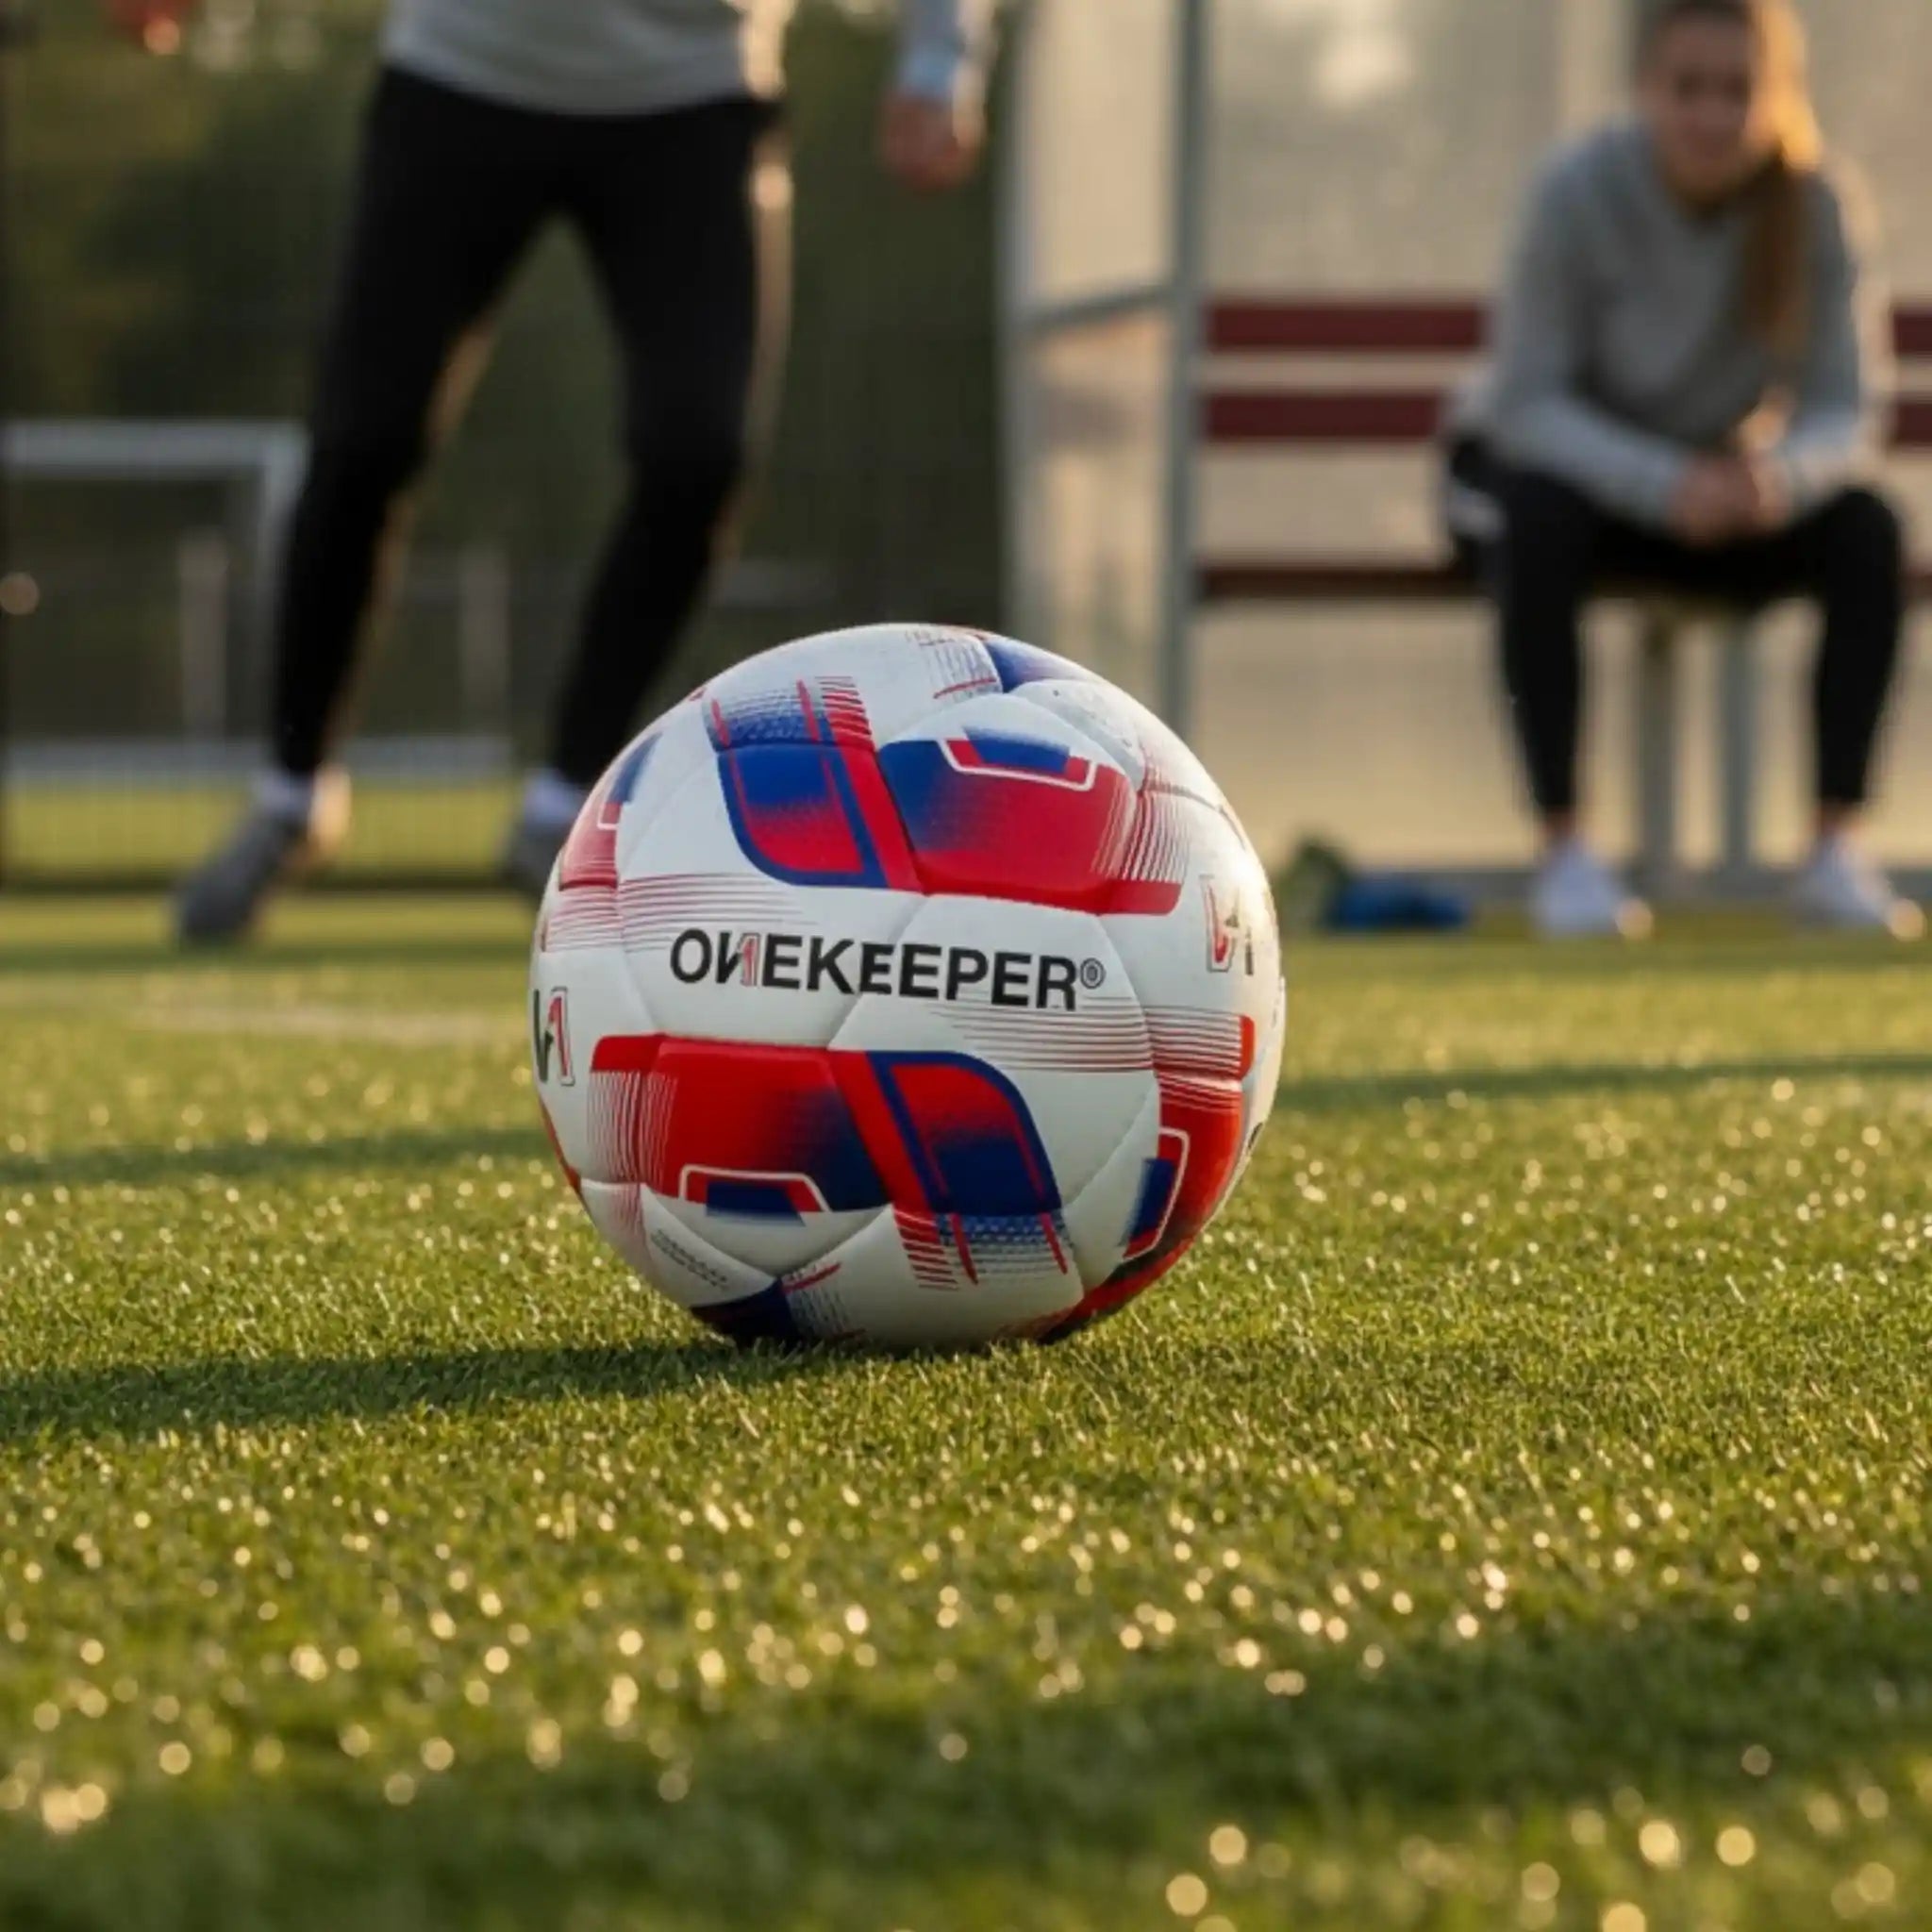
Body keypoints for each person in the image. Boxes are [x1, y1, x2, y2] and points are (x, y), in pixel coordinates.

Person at [175, 0, 991, 943]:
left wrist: (939, 66)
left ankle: (563, 805)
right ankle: (290, 796)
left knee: (699, 453)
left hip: (697, 94)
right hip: (460, 73)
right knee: (363, 441)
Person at [1448, 0, 1920, 941]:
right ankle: (1566, 853)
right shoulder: (1571, 190)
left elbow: (1843, 409)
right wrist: (1664, 481)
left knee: (1868, 529)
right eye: (1687, 88)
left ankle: (1833, 848)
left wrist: (1772, 480)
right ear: (1643, 90)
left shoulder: (1816, 200)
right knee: (1534, 521)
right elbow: (1527, 404)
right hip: (1568, 487)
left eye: (1736, 90)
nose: (1711, 114)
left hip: (1723, 499)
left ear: (1775, 95)